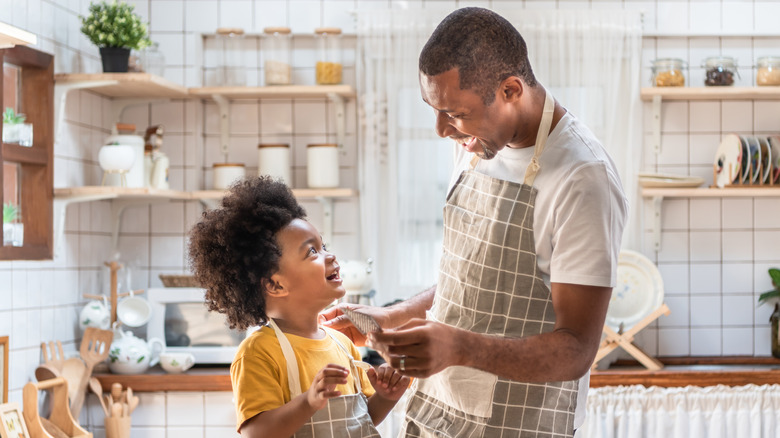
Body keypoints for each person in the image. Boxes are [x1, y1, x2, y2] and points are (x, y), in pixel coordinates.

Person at [321, 7, 628, 437]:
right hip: (438, 413)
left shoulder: (583, 179)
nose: (441, 129)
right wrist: (394, 316)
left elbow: (576, 348)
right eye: (433, 109)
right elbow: (476, 282)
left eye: (456, 113)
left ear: (510, 90)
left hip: (518, 425)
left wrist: (459, 346)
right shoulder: (476, 144)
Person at [188, 176, 410, 438]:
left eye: (323, 246)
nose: (330, 255)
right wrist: (309, 401)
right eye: (312, 252)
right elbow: (257, 433)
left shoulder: (342, 343)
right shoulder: (258, 352)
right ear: (276, 285)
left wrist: (385, 397)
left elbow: (360, 421)